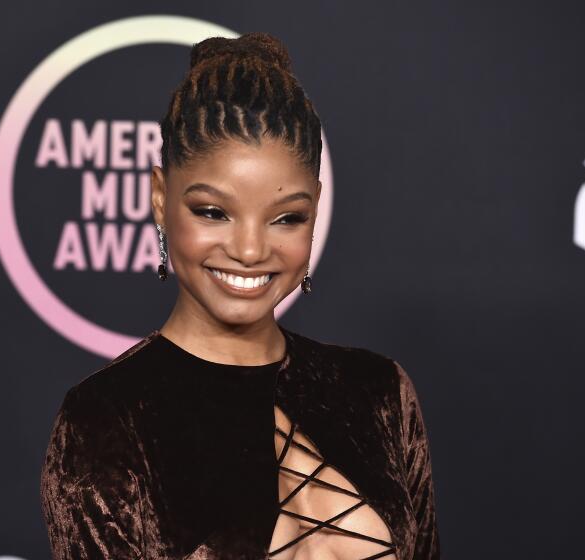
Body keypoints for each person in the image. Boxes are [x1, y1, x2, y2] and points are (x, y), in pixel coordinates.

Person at [40, 32, 441, 560]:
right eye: (213, 212)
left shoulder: (379, 393)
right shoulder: (107, 421)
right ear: (160, 199)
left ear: (315, 210)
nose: (250, 249)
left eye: (286, 218)